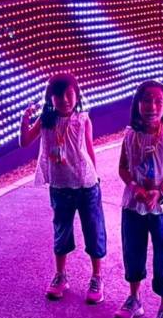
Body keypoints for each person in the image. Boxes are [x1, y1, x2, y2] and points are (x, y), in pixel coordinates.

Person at [19, 73, 106, 303]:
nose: (65, 100)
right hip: (60, 187)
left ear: (77, 95)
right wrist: (24, 120)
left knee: (93, 230)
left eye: (69, 94)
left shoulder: (83, 119)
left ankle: (97, 277)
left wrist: (96, 177)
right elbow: (25, 141)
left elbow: (89, 149)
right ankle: (60, 276)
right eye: (58, 95)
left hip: (86, 185)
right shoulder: (46, 121)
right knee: (61, 231)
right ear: (50, 98)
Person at [114, 79, 163, 318]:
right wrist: (135, 187)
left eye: (158, 101)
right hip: (134, 205)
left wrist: (159, 192)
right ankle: (134, 298)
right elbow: (123, 167)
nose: (151, 106)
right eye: (146, 100)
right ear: (137, 105)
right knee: (133, 250)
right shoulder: (130, 136)